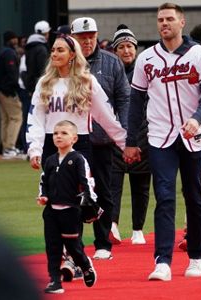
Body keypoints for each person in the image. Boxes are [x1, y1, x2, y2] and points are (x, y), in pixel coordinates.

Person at [123, 2, 201, 281]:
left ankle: (197, 256)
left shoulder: (199, 53)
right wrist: (130, 140)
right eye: (160, 19)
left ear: (182, 22)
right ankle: (162, 261)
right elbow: (136, 102)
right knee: (163, 197)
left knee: (194, 195)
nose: (164, 24)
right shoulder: (146, 58)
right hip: (160, 136)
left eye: (170, 19)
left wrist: (197, 119)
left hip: (193, 135)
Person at [26, 34, 126, 280]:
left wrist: (125, 143)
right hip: (52, 145)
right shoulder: (44, 84)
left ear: (72, 54)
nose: (54, 54)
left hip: (80, 145)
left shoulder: (86, 81)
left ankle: (74, 258)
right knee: (53, 202)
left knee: (75, 203)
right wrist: (35, 149)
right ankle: (64, 257)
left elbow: (106, 115)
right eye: (53, 50)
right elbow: (35, 118)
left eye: (60, 50)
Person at [71, 17, 130, 260]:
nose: (87, 41)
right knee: (73, 192)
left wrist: (123, 131)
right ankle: (73, 245)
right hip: (73, 141)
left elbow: (124, 98)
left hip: (103, 139)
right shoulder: (65, 62)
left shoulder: (112, 61)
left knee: (105, 190)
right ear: (73, 38)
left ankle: (103, 242)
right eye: (82, 37)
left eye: (91, 36)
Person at [37, 120, 97, 294]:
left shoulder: (78, 159)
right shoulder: (49, 160)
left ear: (74, 138)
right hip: (51, 212)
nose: (58, 136)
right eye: (55, 133)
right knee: (53, 247)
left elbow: (86, 183)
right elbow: (44, 182)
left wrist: (89, 204)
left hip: (71, 212)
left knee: (73, 247)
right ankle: (55, 281)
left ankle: (85, 266)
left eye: (63, 133)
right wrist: (43, 196)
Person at [109, 24, 150, 245]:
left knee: (141, 184)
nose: (126, 51)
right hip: (114, 134)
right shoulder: (110, 72)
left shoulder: (144, 70)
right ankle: (113, 225)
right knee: (113, 182)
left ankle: (138, 229)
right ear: (115, 50)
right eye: (122, 47)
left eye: (130, 46)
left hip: (143, 132)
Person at [0, 30, 23, 159]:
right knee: (16, 117)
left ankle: (6, 148)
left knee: (5, 119)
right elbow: (12, 75)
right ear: (11, 40)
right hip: (7, 91)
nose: (16, 41)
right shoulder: (9, 53)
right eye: (14, 38)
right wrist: (14, 90)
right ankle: (10, 147)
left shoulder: (1, 52)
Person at [23, 20, 51, 95]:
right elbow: (43, 69)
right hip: (39, 86)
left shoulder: (30, 46)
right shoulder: (42, 49)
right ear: (46, 33)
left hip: (31, 85)